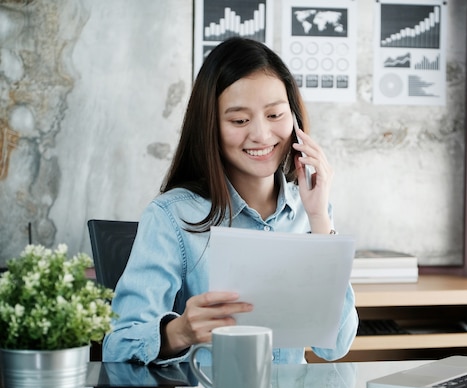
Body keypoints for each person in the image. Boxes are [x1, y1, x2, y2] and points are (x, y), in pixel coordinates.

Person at [102, 37, 358, 365]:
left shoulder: (311, 210)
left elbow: (335, 346)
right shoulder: (171, 216)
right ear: (211, 126)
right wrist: (179, 331)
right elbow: (117, 347)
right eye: (239, 120)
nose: (262, 135)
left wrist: (320, 217)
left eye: (275, 114)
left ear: (294, 118)